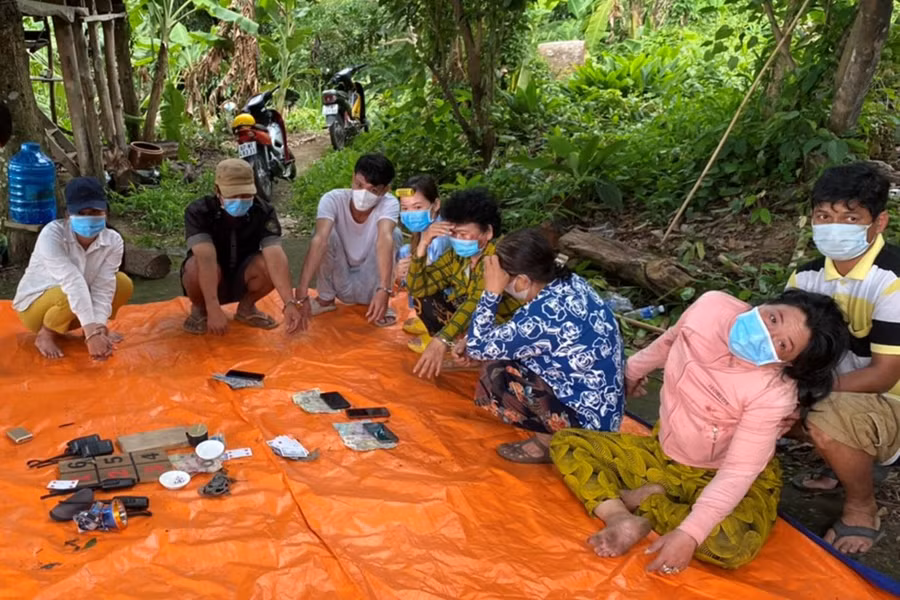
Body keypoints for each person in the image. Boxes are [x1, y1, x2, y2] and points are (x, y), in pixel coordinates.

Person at [550, 289, 848, 573]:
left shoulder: (773, 393)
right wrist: (631, 372)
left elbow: (738, 472)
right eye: (773, 319)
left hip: (716, 473)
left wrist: (690, 535)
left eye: (782, 345)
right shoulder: (712, 307)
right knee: (567, 443)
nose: (766, 335)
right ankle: (619, 516)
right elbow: (670, 341)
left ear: (790, 364)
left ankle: (649, 503)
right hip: (661, 453)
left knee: (731, 544)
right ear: (767, 303)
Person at [786, 162, 900, 555]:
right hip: (839, 396)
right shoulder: (805, 278)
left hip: (892, 402)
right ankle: (844, 461)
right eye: (824, 216)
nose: (834, 227)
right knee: (757, 393)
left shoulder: (893, 281)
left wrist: (805, 392)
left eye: (850, 217)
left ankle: (862, 508)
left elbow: (884, 376)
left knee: (818, 413)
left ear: (878, 222)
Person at [463, 228, 625, 463]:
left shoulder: (541, 316)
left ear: (522, 281)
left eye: (502, 277)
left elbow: (478, 347)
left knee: (494, 371)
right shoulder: (572, 283)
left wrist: (490, 293)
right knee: (507, 352)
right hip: (604, 413)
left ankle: (547, 443)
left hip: (584, 424)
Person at [13, 176, 133, 359]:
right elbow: (72, 281)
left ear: (106, 212)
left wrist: (97, 328)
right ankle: (45, 334)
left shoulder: (113, 240)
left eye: (95, 211)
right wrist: (93, 333)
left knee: (121, 283)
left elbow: (104, 285)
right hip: (37, 309)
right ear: (68, 215)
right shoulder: (52, 234)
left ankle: (89, 330)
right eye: (81, 213)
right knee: (68, 292)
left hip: (73, 306)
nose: (89, 218)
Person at [406, 187, 520, 379]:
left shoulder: (496, 258)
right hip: (476, 321)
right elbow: (418, 287)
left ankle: (474, 352)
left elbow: (475, 303)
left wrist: (441, 339)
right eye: (454, 234)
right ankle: (460, 346)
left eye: (464, 234)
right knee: (425, 297)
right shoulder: (456, 257)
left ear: (488, 232)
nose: (458, 240)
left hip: (503, 323)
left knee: (468, 313)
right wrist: (423, 245)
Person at [180, 158, 302, 335]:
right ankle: (201, 309)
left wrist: (289, 302)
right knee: (194, 267)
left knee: (268, 264)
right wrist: (213, 308)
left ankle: (246, 308)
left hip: (243, 275)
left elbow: (275, 255)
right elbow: (206, 258)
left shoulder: (263, 211)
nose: (240, 200)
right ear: (217, 191)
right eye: (233, 195)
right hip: (209, 276)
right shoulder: (198, 211)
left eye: (246, 195)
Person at [294, 153, 400, 329]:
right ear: (352, 177)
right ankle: (325, 299)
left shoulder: (389, 204)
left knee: (393, 234)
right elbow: (320, 241)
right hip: (339, 279)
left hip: (370, 284)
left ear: (385, 190)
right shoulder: (333, 199)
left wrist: (384, 290)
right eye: (359, 185)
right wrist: (302, 290)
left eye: (373, 190)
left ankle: (380, 304)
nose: (363, 193)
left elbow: (384, 239)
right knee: (322, 232)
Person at [393, 174, 451, 352]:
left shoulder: (440, 237)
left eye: (418, 207)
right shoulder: (423, 231)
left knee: (418, 277)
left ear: (435, 205)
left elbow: (430, 280)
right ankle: (428, 320)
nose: (411, 214)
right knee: (406, 256)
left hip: (458, 299)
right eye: (405, 208)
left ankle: (441, 332)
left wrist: (407, 274)